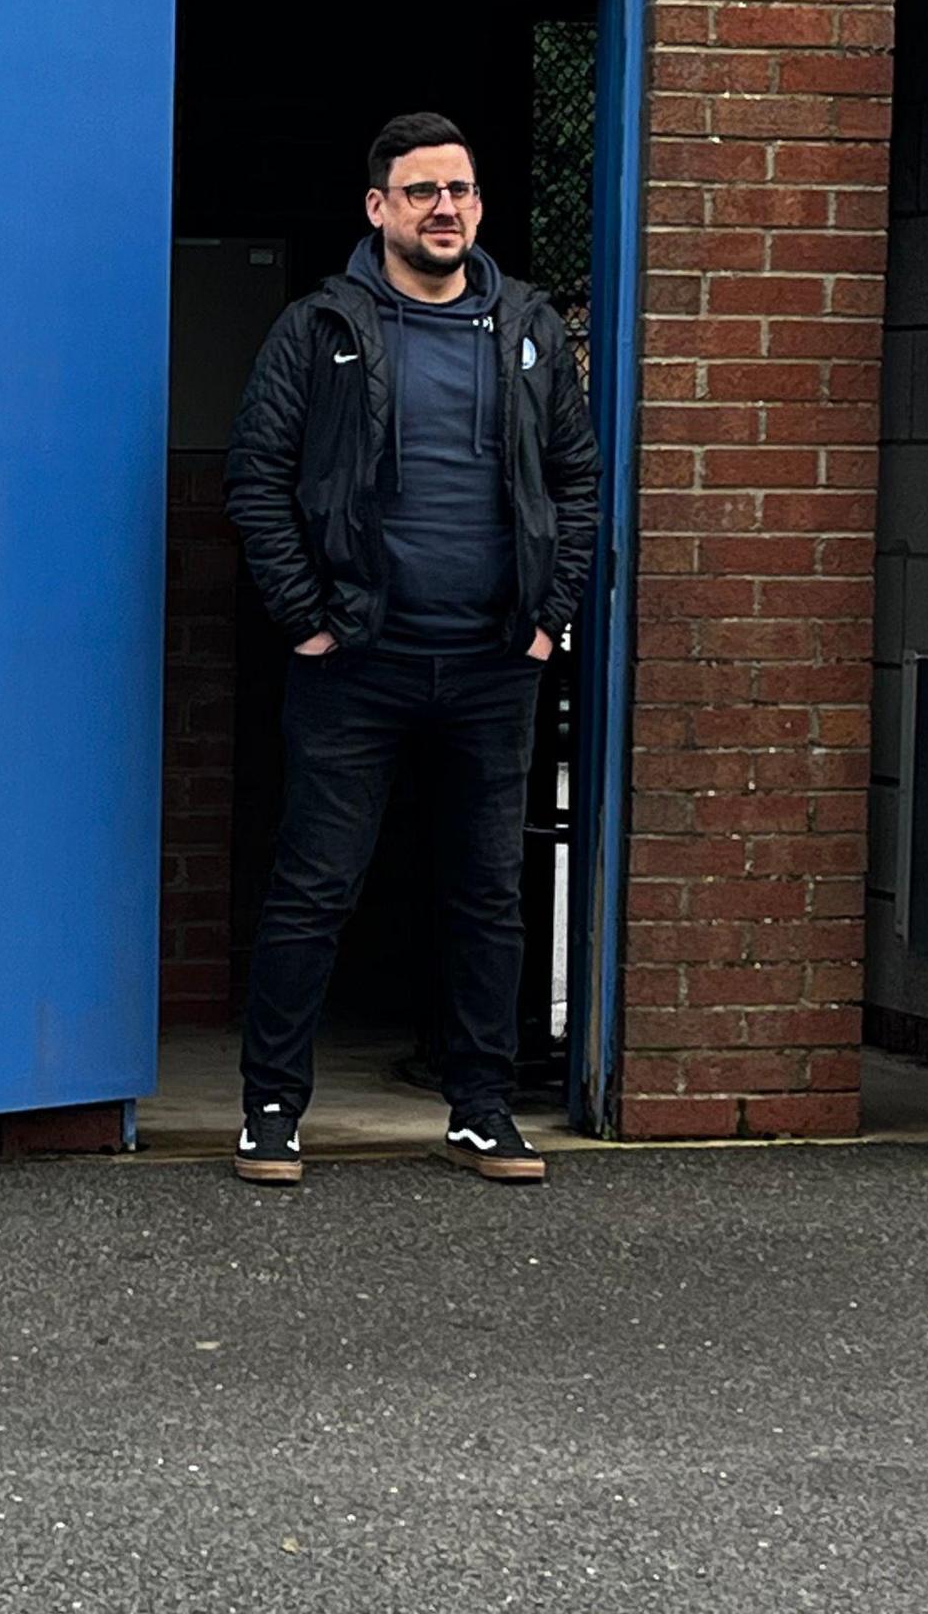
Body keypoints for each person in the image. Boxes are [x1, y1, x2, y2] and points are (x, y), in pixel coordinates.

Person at [222, 112, 598, 1187]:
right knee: (315, 887)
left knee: (488, 893)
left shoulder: (527, 329)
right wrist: (306, 618)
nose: (447, 208)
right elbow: (257, 478)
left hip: (493, 664)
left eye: (462, 191)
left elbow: (575, 482)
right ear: (378, 208)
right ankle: (271, 1111)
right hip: (356, 665)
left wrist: (548, 617)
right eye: (424, 190)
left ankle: (481, 1112)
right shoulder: (320, 329)